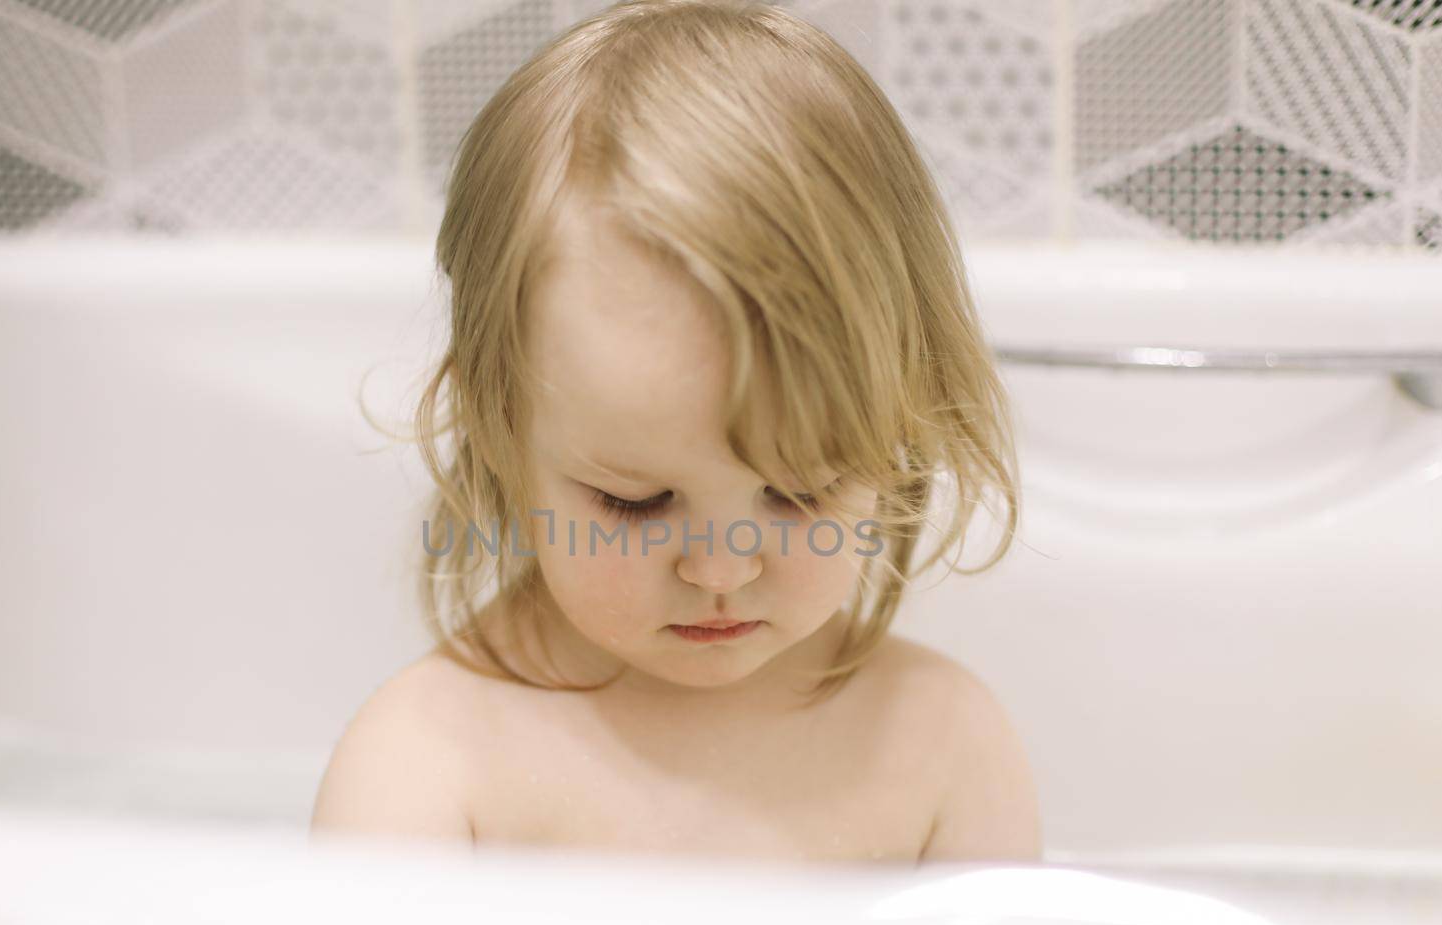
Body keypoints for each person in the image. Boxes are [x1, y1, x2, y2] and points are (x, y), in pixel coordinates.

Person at [312, 0, 1040, 866]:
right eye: (635, 501)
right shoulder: (429, 767)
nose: (722, 568)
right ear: (498, 424)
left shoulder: (940, 747)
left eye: (802, 490)